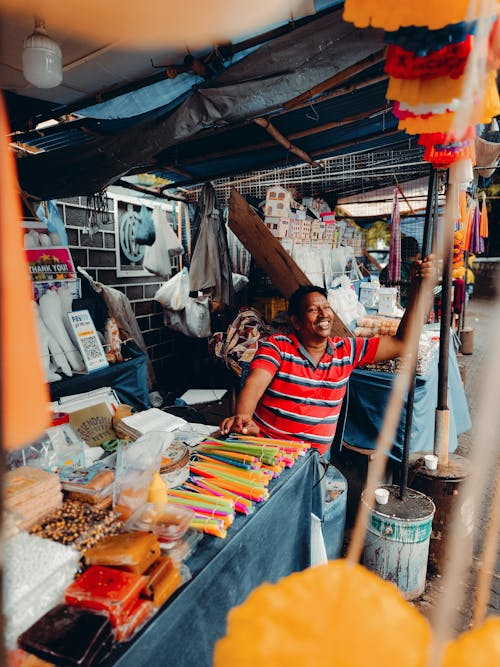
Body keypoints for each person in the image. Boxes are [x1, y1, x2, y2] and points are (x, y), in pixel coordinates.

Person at [220, 254, 435, 456]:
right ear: (294, 321)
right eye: (313, 309)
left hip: (312, 463)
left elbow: (403, 343)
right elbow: (254, 384)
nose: (324, 314)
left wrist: (418, 290)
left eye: (327, 307)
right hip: (269, 454)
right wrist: (244, 417)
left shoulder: (346, 351)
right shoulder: (277, 347)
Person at [379, 236, 421, 308]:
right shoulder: (420, 270)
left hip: (388, 309)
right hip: (414, 312)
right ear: (418, 254)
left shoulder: (388, 269)